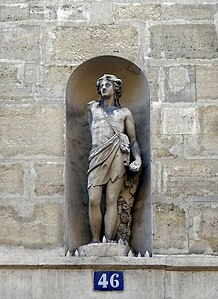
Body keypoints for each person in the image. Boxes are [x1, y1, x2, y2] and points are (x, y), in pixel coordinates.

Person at [86, 74, 141, 243]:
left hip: (117, 154)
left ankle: (108, 240)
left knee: (111, 199)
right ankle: (95, 241)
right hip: (97, 155)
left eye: (107, 84)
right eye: (101, 85)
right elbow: (91, 130)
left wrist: (138, 158)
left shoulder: (124, 113)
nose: (103, 87)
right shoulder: (92, 108)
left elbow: (133, 140)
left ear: (115, 89)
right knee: (94, 200)